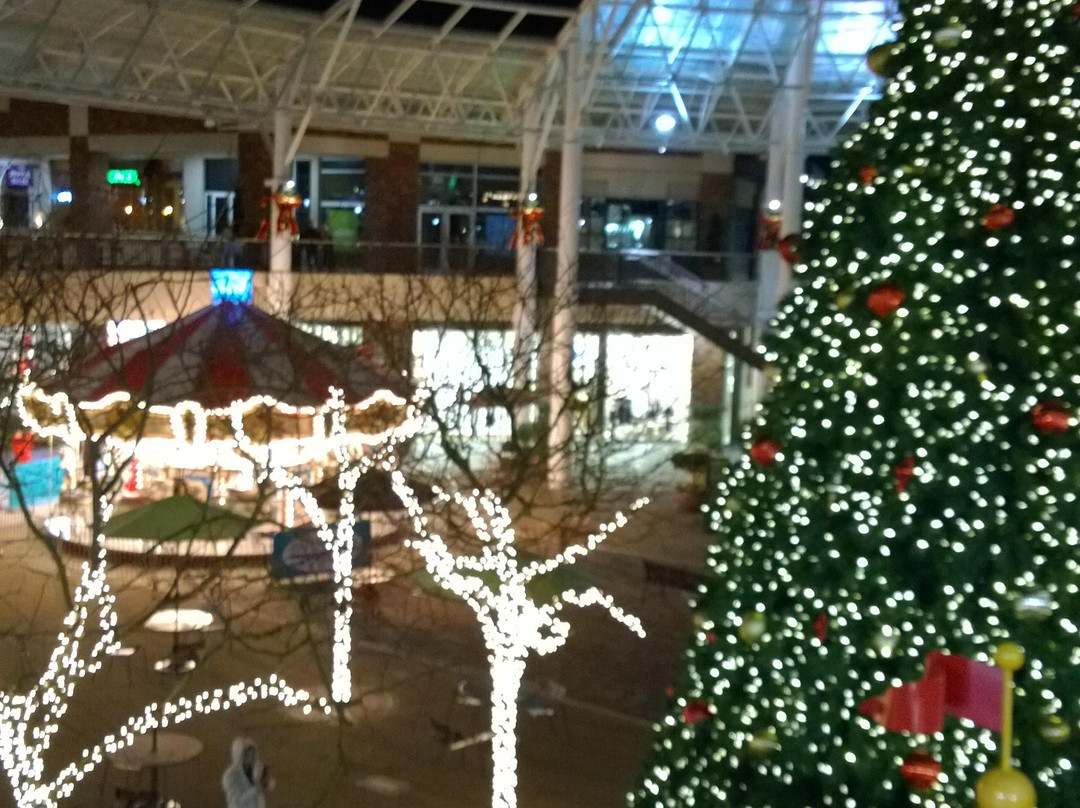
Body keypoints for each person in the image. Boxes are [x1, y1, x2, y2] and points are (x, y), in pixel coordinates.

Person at [222, 737, 273, 808]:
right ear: (239, 755)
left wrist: (266, 784)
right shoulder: (231, 775)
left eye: (254, 754)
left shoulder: (257, 770)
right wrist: (256, 789)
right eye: (248, 755)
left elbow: (266, 788)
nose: (252, 758)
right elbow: (236, 801)